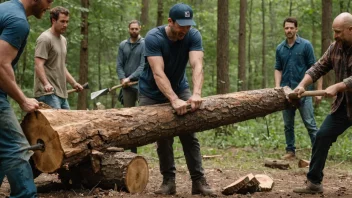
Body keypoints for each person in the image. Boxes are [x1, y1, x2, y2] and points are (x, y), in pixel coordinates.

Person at [139, 3, 216, 196]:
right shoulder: (153, 38)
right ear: (170, 22)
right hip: (151, 92)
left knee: (189, 133)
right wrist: (173, 100)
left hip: (180, 87)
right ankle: (168, 182)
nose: (185, 29)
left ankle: (198, 182)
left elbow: (197, 65)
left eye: (189, 25)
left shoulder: (193, 35)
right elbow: (158, 73)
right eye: (181, 25)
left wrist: (196, 94)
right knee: (164, 137)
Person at [293, 12, 352, 194]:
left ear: (351, 30)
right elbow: (318, 67)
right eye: (334, 32)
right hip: (345, 106)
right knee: (322, 136)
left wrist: (339, 86)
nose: (335, 35)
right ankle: (314, 183)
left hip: (344, 95)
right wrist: (302, 85)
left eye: (339, 32)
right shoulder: (335, 47)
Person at [0, 0, 53, 197]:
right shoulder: (18, 21)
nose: (49, 7)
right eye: (48, 1)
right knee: (16, 147)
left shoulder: (5, 8)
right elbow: (1, 65)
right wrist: (22, 100)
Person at [274, 17, 322, 160]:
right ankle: (290, 151)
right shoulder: (280, 48)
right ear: (284, 29)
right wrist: (277, 86)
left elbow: (316, 68)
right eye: (286, 28)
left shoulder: (306, 45)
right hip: (286, 92)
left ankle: (318, 151)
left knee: (310, 123)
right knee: (288, 124)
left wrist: (318, 91)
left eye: (291, 28)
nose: (289, 30)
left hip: (304, 92)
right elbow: (278, 68)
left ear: (296, 29)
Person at [34, 6, 83, 109]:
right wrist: (46, 84)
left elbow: (61, 66)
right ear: (53, 20)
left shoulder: (63, 40)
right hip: (48, 94)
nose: (65, 25)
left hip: (61, 93)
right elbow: (38, 65)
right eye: (62, 21)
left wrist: (73, 83)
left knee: (69, 123)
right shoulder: (45, 38)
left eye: (67, 22)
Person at [116, 19, 145, 154]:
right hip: (126, 87)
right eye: (132, 29)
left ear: (140, 29)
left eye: (136, 29)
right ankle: (131, 151)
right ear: (128, 29)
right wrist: (122, 78)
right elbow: (119, 64)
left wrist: (130, 78)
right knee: (128, 117)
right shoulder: (123, 45)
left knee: (143, 116)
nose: (134, 31)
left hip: (141, 85)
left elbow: (143, 65)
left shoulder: (144, 44)